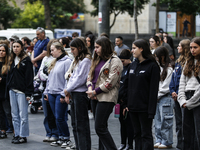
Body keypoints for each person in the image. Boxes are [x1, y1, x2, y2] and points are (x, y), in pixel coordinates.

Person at [86, 36, 123, 150]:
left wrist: (94, 92)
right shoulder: (96, 59)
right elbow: (90, 76)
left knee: (100, 128)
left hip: (107, 97)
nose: (95, 50)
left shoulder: (115, 60)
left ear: (105, 47)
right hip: (94, 96)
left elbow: (110, 82)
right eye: (95, 47)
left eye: (97, 47)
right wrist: (90, 87)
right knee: (102, 127)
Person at [123, 39, 160, 150]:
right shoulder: (132, 65)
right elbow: (127, 86)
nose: (132, 50)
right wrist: (126, 104)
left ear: (141, 49)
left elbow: (154, 90)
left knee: (146, 134)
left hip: (145, 108)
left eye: (134, 48)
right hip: (132, 107)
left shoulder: (152, 66)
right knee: (136, 134)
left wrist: (151, 111)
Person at [64, 37, 92, 150]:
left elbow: (80, 78)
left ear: (80, 48)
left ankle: (84, 147)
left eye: (73, 49)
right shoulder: (78, 59)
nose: (71, 51)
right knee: (75, 124)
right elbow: (71, 75)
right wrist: (68, 89)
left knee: (81, 124)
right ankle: (79, 146)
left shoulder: (86, 60)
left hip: (80, 94)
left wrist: (68, 89)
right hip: (75, 93)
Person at [43, 42, 72, 148]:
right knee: (55, 117)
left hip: (60, 93)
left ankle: (66, 138)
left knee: (60, 117)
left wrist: (64, 93)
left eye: (52, 50)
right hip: (51, 93)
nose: (51, 52)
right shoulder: (54, 61)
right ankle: (60, 137)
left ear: (60, 49)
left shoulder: (67, 61)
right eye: (50, 50)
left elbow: (68, 79)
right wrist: (46, 91)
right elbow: (49, 79)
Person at [7, 40, 34, 144]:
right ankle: (17, 134)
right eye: (14, 46)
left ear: (22, 47)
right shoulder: (12, 59)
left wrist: (29, 93)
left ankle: (23, 135)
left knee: (23, 115)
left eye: (17, 46)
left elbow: (29, 77)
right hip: (12, 90)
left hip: (22, 91)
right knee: (14, 115)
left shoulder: (26, 60)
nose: (15, 48)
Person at [178, 37, 200, 150]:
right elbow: (182, 83)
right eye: (191, 47)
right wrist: (182, 100)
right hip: (186, 98)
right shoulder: (188, 62)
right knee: (186, 131)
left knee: (198, 131)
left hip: (197, 99)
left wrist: (190, 102)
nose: (192, 50)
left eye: (195, 47)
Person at [169, 39, 190, 150]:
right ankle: (180, 144)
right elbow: (173, 79)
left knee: (185, 122)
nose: (177, 47)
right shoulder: (178, 62)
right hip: (175, 97)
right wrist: (172, 91)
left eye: (179, 46)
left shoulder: (189, 63)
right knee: (178, 122)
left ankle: (186, 144)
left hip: (184, 97)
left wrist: (179, 93)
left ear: (184, 48)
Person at [37, 39, 59, 143]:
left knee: (55, 113)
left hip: (55, 89)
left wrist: (50, 77)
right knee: (47, 113)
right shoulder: (46, 58)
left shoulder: (61, 60)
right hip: (45, 87)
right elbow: (40, 72)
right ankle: (48, 132)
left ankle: (56, 133)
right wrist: (47, 77)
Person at [154, 46, 174, 149]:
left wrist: (156, 95)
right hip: (158, 97)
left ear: (162, 57)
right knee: (157, 120)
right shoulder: (158, 67)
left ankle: (167, 141)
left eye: (157, 57)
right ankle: (159, 139)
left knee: (165, 121)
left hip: (165, 97)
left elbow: (166, 86)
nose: (156, 59)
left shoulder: (169, 68)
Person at [118, 49, 134, 150]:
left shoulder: (131, 68)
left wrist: (127, 103)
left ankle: (130, 143)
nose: (122, 63)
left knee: (128, 124)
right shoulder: (122, 68)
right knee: (121, 123)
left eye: (123, 61)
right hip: (120, 100)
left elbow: (130, 87)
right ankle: (123, 142)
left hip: (126, 101)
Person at [0, 44, 13, 138]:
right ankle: (3, 130)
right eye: (0, 50)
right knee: (0, 112)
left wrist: (2, 79)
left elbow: (10, 78)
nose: (1, 52)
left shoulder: (8, 63)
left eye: (3, 50)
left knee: (8, 112)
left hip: (5, 91)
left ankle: (13, 129)